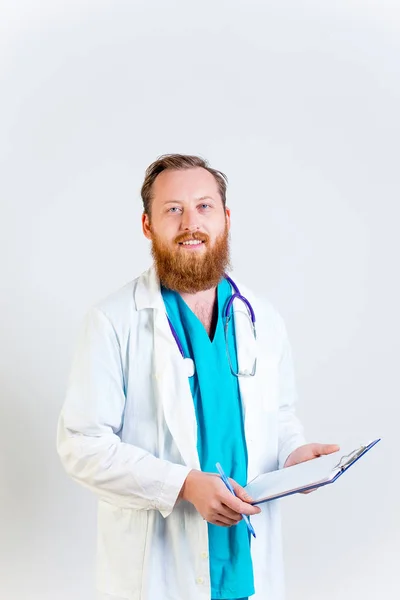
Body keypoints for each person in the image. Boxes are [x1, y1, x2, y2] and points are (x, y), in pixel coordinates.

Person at [57, 154, 339, 600]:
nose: (191, 222)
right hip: (160, 570)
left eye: (204, 207)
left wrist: (294, 457)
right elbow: (82, 446)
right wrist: (183, 485)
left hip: (248, 562)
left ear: (226, 219)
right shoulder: (114, 321)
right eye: (173, 209)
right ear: (148, 225)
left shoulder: (262, 318)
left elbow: (280, 415)